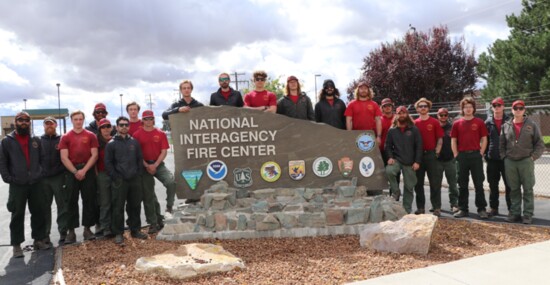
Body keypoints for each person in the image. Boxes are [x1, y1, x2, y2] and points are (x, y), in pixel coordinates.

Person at [0, 112, 50, 258]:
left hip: (35, 183)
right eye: (20, 120)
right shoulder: (7, 141)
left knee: (38, 212)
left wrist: (40, 174)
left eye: (26, 120)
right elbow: (2, 162)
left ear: (30, 123)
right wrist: (8, 178)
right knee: (17, 214)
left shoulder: (35, 140)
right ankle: (16, 245)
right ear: (15, 122)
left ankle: (38, 239)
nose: (24, 122)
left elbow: (42, 159)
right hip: (18, 184)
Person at [104, 116, 148, 244]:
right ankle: (118, 233)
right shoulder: (111, 144)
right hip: (119, 181)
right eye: (121, 125)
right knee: (118, 207)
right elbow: (108, 163)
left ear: (129, 127)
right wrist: (116, 177)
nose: (124, 127)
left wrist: (138, 174)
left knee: (135, 206)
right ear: (116, 127)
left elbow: (139, 159)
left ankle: (135, 230)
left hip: (134, 180)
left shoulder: (134, 142)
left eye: (126, 125)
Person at [500, 100, 545, 224]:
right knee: (513, 189)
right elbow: (501, 144)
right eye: (516, 108)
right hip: (510, 162)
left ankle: (527, 214)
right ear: (512, 110)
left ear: (524, 110)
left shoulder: (532, 124)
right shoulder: (506, 125)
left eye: (521, 108)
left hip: (526, 161)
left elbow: (540, 144)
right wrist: (504, 157)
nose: (518, 110)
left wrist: (533, 157)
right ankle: (514, 213)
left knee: (528, 189)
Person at [59, 110, 99, 243]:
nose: (78, 121)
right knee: (71, 201)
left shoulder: (91, 135)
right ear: (71, 120)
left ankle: (87, 229)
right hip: (72, 172)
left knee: (89, 200)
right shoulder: (65, 137)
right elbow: (64, 158)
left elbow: (94, 155)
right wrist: (76, 172)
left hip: (87, 170)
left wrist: (84, 170)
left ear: (83, 120)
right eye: (75, 119)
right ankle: (71, 232)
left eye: (80, 119)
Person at [133, 110, 173, 229]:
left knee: (171, 182)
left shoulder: (160, 133)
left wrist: (155, 165)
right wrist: (146, 165)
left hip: (158, 164)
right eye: (146, 119)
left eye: (150, 118)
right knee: (148, 195)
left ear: (153, 120)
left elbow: (164, 151)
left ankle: (169, 206)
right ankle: (153, 222)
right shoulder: (137, 135)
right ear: (142, 120)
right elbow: (136, 154)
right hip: (144, 166)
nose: (148, 121)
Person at [451, 97, 489, 219]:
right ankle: (463, 209)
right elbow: (453, 140)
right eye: (465, 107)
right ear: (462, 109)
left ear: (473, 108)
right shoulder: (457, 123)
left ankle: (481, 209)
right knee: (462, 184)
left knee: (479, 183)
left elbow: (484, 139)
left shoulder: (479, 122)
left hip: (475, 156)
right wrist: (456, 154)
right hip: (462, 156)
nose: (468, 109)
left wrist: (481, 152)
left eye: (470, 107)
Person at [385, 106, 422, 214]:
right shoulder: (392, 130)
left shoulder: (414, 129)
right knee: (389, 171)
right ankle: (396, 191)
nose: (402, 115)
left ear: (407, 115)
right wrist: (390, 157)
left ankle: (406, 210)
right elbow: (387, 146)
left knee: (409, 187)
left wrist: (417, 161)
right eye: (399, 113)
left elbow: (419, 146)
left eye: (404, 113)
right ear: (396, 115)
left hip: (410, 162)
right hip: (397, 160)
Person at [40, 116, 69, 244]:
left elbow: (67, 157)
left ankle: (63, 231)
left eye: (51, 124)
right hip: (44, 179)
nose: (49, 126)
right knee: (45, 207)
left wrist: (61, 171)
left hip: (58, 177)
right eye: (47, 124)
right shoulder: (38, 140)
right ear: (44, 126)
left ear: (55, 125)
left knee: (62, 205)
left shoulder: (62, 139)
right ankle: (45, 234)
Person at [413, 98, 444, 216]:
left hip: (431, 155)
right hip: (418, 156)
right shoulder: (414, 123)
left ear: (428, 108)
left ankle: (436, 207)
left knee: (435, 182)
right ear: (417, 108)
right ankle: (420, 207)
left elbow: (440, 139)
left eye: (425, 106)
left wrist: (436, 152)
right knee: (418, 183)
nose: (423, 108)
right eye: (420, 106)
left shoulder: (434, 122)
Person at [484, 97, 511, 216]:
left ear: (503, 106)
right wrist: (486, 155)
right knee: (493, 185)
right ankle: (494, 208)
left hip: (507, 159)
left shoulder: (510, 120)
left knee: (509, 185)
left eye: (499, 105)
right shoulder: (487, 122)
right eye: (494, 105)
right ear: (492, 107)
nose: (497, 107)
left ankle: (512, 210)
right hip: (492, 159)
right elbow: (484, 140)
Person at [436, 108, 459, 213]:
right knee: (436, 184)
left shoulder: (452, 127)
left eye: (445, 115)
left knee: (453, 184)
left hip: (450, 160)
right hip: (437, 161)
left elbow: (457, 141)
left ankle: (454, 204)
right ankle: (437, 205)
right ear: (438, 116)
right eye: (441, 115)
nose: (443, 117)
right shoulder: (435, 127)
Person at [96, 118, 114, 238]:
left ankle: (115, 225)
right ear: (100, 129)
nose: (106, 129)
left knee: (116, 200)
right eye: (103, 127)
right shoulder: (97, 143)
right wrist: (96, 174)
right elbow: (93, 159)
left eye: (108, 126)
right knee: (105, 201)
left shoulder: (115, 140)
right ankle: (105, 226)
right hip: (102, 174)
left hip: (115, 174)